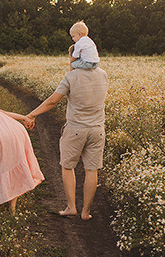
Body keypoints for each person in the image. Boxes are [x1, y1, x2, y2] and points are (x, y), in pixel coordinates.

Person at [24, 49, 108, 220]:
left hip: (76, 129)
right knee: (92, 170)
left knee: (68, 167)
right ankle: (86, 212)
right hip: (98, 129)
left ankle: (71, 207)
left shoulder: (71, 77)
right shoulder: (102, 74)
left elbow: (53, 101)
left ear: (76, 57)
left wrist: (32, 114)